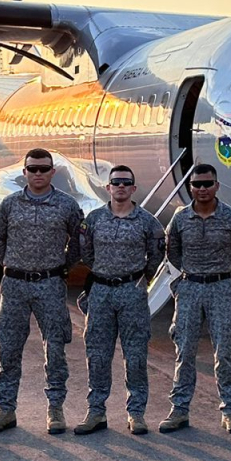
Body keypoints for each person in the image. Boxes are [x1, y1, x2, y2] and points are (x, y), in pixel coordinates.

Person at [0, 148, 84, 435]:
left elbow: (77, 245)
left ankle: (55, 409)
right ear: (24, 172)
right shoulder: (9, 204)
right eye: (32, 168)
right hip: (15, 285)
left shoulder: (66, 205)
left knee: (55, 348)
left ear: (53, 172)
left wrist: (58, 267)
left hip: (50, 284)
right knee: (9, 348)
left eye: (43, 168)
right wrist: (16, 265)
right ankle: (5, 409)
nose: (38, 173)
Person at [73, 165, 165, 436]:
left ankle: (136, 413)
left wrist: (137, 279)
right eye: (116, 182)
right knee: (97, 354)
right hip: (100, 291)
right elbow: (86, 255)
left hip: (132, 292)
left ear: (133, 189)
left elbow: (156, 258)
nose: (121, 187)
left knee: (135, 356)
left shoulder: (148, 222)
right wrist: (106, 274)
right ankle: (96, 411)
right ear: (108, 187)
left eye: (126, 183)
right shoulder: (94, 219)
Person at [160, 164, 231, 435]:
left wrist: (226, 274)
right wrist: (189, 277)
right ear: (190, 188)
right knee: (184, 351)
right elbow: (171, 251)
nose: (202, 189)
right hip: (189, 287)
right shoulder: (180, 218)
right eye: (197, 184)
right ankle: (179, 410)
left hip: (220, 288)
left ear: (217, 186)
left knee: (224, 352)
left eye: (207, 184)